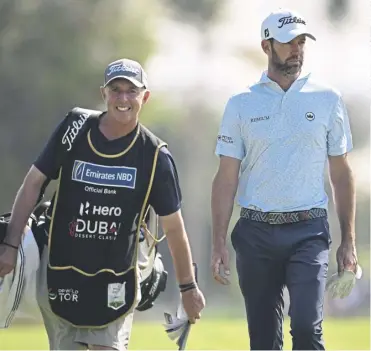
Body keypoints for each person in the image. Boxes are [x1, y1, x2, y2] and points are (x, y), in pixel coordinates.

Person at [0, 58, 205, 350]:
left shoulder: (155, 156)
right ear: (103, 93)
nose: (123, 98)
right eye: (116, 89)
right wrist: (10, 244)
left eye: (131, 91)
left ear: (144, 97)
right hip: (61, 272)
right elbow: (34, 183)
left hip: (116, 281)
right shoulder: (74, 127)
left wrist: (188, 287)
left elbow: (174, 228)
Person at [211, 8, 358, 351]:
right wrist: (218, 240)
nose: (296, 48)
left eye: (301, 41)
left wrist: (348, 240)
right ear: (267, 46)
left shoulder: (328, 99)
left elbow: (341, 172)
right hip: (255, 233)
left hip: (309, 231)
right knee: (264, 342)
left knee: (307, 328)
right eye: (287, 42)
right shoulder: (240, 104)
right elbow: (225, 178)